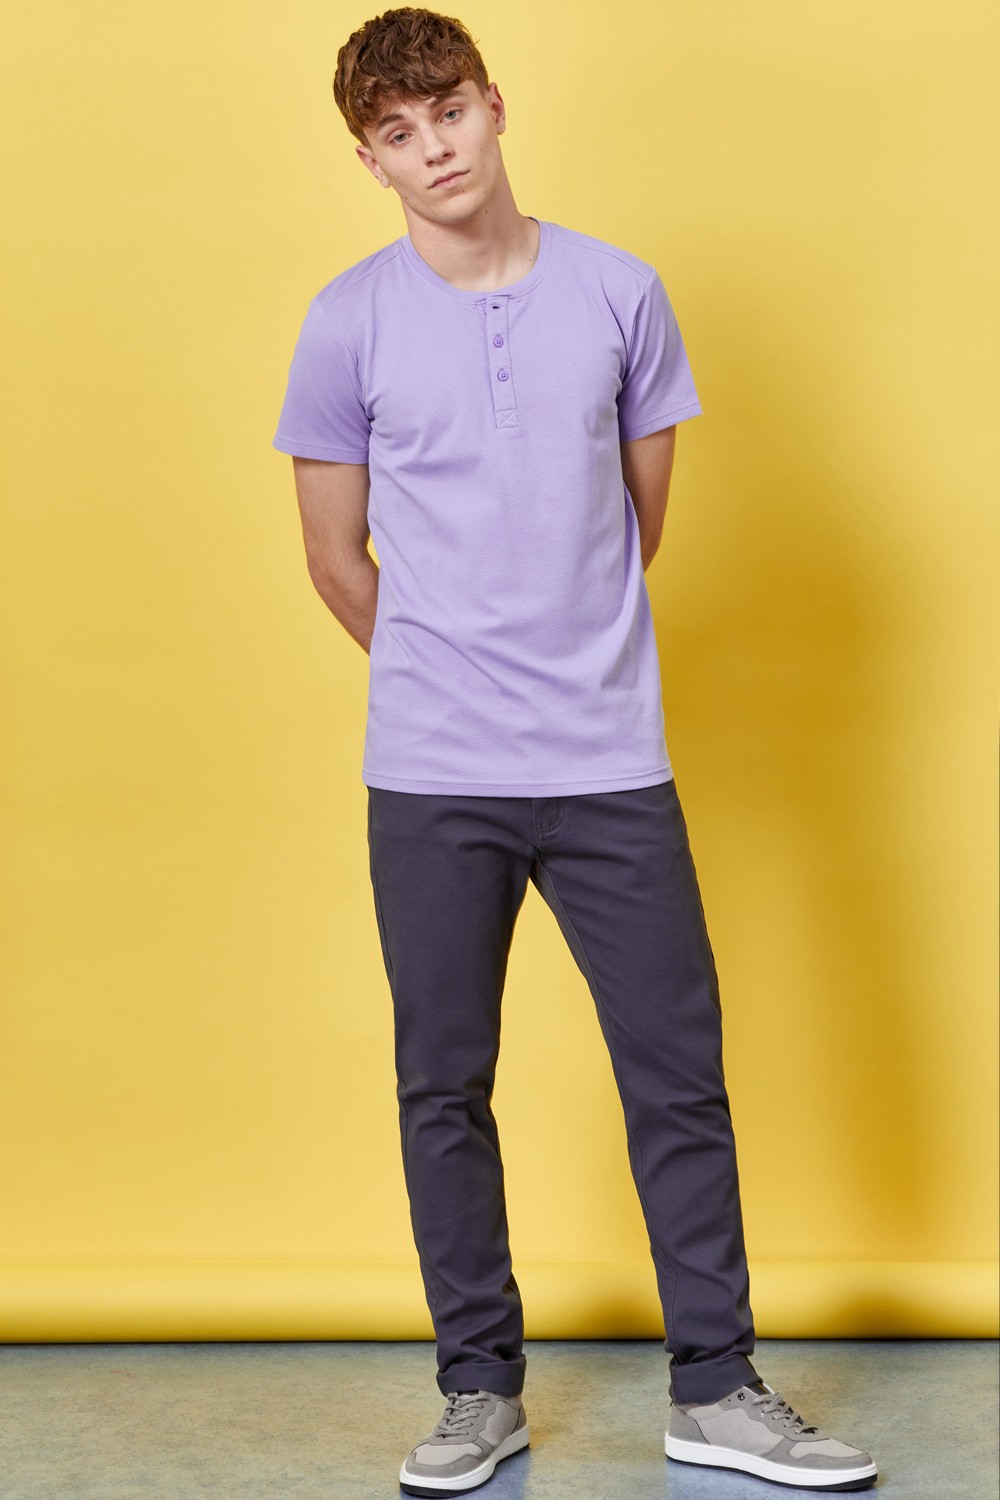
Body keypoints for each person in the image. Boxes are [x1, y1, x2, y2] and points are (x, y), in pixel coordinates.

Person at [272, 8, 879, 1494]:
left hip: (610, 761)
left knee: (678, 1077)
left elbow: (635, 524)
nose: (435, 151)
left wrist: (556, 662)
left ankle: (716, 1387)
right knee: (443, 1085)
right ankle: (476, 1391)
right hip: (433, 776)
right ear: (368, 159)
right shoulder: (345, 322)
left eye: (450, 113)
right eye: (399, 134)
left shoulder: (620, 292)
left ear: (494, 105)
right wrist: (450, 674)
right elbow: (336, 557)